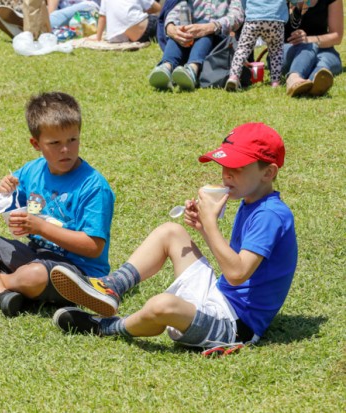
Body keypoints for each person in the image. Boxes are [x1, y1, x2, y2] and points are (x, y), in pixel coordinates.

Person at [51, 123, 298, 351]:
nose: (226, 175)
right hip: (219, 297)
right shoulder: (252, 202)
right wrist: (203, 227)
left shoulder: (270, 215)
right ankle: (111, 286)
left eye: (237, 168)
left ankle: (108, 326)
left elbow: (237, 273)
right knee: (171, 232)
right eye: (224, 166)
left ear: (268, 173)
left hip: (235, 326)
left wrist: (210, 225)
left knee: (162, 304)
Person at [0, 92, 115, 317]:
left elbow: (93, 247)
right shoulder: (33, 170)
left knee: (33, 276)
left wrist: (41, 227)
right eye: (55, 143)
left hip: (77, 273)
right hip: (35, 255)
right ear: (36, 144)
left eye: (72, 140)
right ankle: (1, 293)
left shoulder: (94, 186)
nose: (65, 149)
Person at [148, 0, 244, 91]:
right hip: (189, 36)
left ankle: (192, 69)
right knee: (179, 32)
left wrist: (212, 26)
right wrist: (171, 25)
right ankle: (166, 67)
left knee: (205, 29)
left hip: (216, 40)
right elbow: (177, 7)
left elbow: (237, 16)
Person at [282, 0, 343, 97]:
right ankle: (294, 77)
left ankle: (314, 82)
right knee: (310, 50)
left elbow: (337, 36)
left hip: (322, 50)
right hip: (288, 50)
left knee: (324, 61)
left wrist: (309, 40)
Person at [225, 0, 288, 91]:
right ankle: (275, 82)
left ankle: (234, 77)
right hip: (276, 20)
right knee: (276, 52)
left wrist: (249, 9)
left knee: (242, 49)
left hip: (253, 18)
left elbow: (243, 2)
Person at [96, 0, 162, 44]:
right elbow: (158, 8)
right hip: (144, 28)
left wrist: (98, 38)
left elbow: (102, 17)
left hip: (117, 37)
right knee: (162, 21)